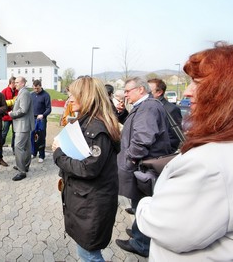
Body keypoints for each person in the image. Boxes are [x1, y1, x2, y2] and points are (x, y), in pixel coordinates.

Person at [136, 44, 233, 261]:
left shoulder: (211, 164)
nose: (187, 92)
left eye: (197, 83)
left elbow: (164, 225)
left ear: (226, 91)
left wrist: (146, 203)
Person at [52, 76, 121, 262]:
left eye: (74, 94)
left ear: (88, 96)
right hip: (85, 200)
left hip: (91, 204)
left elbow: (88, 169)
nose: (70, 99)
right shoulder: (86, 121)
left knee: (89, 256)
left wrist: (58, 153)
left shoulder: (95, 128)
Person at [115, 77, 171, 258]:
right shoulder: (144, 106)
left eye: (128, 90)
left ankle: (141, 243)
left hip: (143, 167)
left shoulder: (148, 107)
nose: (125, 94)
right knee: (138, 202)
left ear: (140, 90)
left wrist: (130, 159)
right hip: (142, 166)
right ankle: (138, 232)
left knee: (142, 203)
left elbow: (143, 138)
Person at [9, 76, 34, 181]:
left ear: (23, 83)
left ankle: (21, 171)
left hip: (22, 125)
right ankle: (24, 166)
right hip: (23, 125)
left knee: (18, 147)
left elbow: (23, 110)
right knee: (27, 147)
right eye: (15, 82)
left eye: (17, 82)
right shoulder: (23, 92)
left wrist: (12, 114)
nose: (15, 84)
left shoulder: (24, 93)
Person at [147, 78, 183, 151]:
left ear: (159, 92)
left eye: (148, 92)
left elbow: (175, 136)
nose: (145, 94)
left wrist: (162, 152)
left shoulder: (171, 109)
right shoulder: (146, 107)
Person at [31, 79, 51, 162]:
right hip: (32, 118)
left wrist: (43, 115)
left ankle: (41, 155)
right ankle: (34, 152)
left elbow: (49, 108)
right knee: (32, 136)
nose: (36, 90)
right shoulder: (31, 95)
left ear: (41, 86)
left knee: (41, 137)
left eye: (37, 88)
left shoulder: (46, 95)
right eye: (34, 88)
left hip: (41, 119)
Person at [1, 77, 18, 151]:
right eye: (15, 83)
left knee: (15, 133)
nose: (16, 84)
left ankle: (14, 148)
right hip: (7, 116)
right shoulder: (4, 91)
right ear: (12, 83)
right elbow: (2, 103)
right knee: (4, 133)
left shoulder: (18, 91)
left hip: (15, 116)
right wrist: (11, 102)